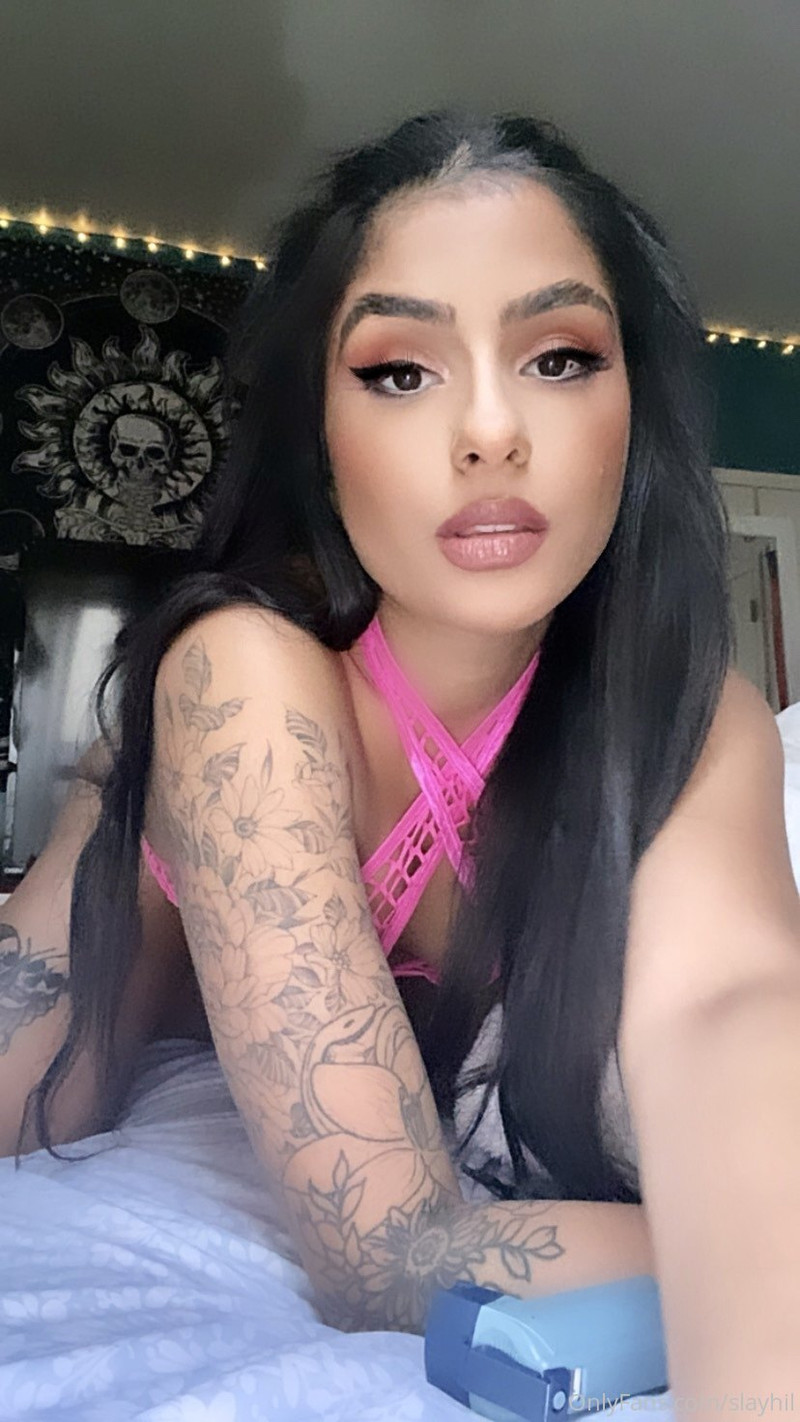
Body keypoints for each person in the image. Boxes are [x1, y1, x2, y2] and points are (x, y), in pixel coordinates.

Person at [2, 109, 799, 1398]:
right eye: (398, 371)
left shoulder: (701, 718)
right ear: (321, 437)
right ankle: (121, 781)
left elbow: (731, 1015)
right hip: (84, 956)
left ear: (635, 409)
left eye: (558, 357)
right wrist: (741, 1264)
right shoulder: (244, 672)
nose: (489, 430)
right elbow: (384, 1256)